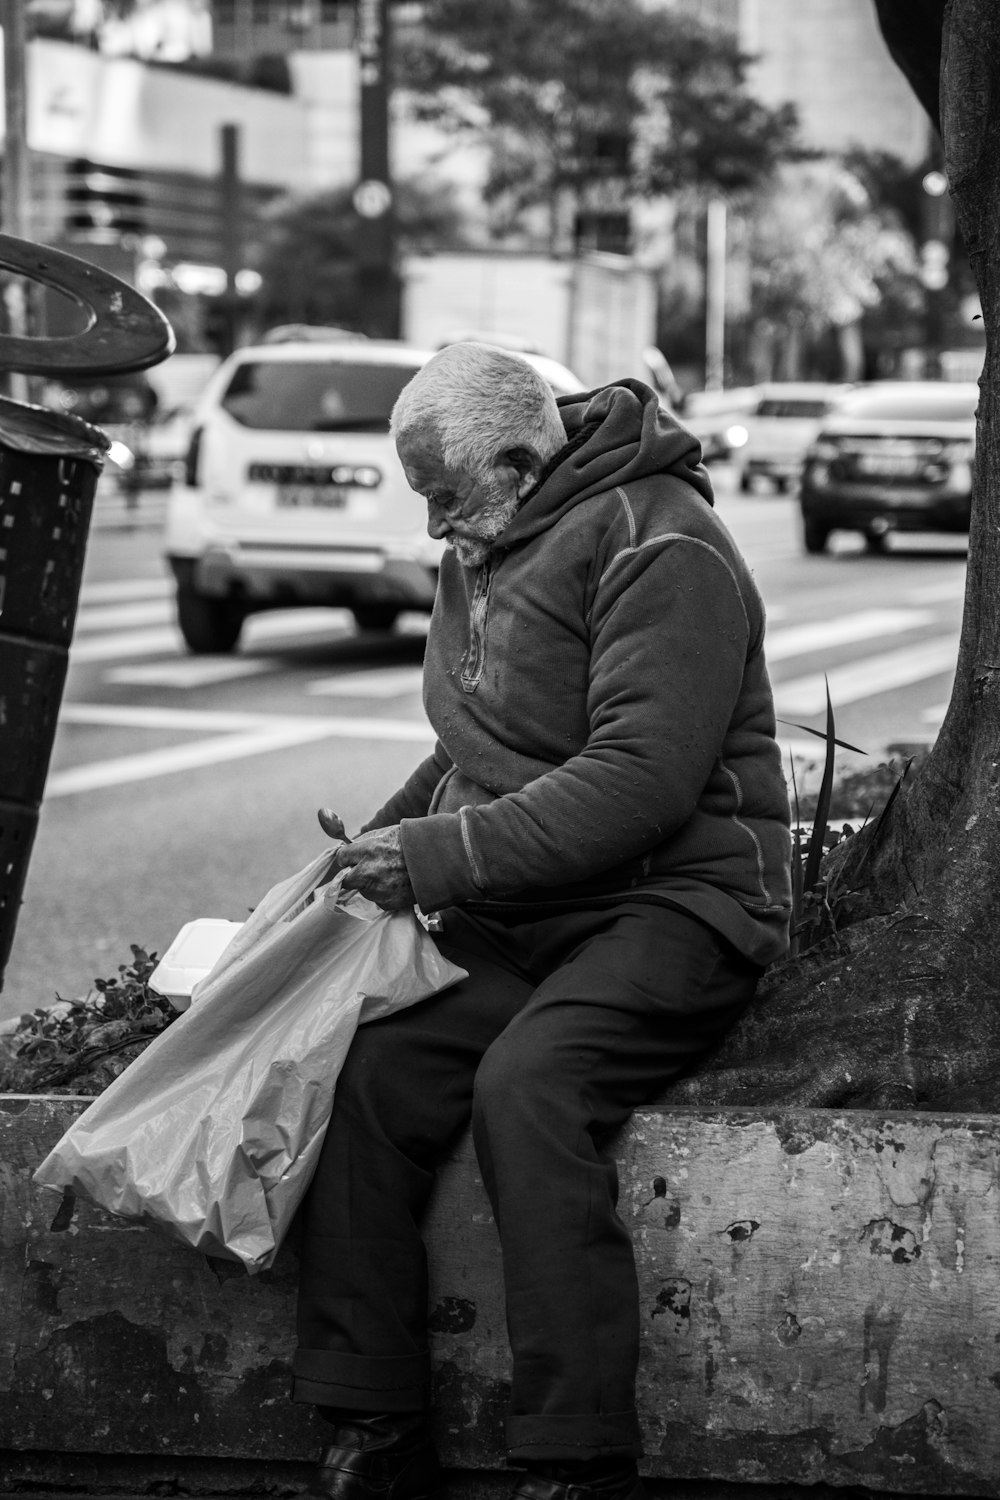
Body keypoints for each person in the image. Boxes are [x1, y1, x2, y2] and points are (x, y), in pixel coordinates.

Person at [292, 342, 791, 1500]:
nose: (434, 534)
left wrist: (435, 858)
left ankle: (575, 1456)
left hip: (677, 900)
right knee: (365, 1076)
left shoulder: (661, 543)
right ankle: (373, 1422)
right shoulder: (494, 534)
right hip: (528, 901)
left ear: (522, 460)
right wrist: (371, 852)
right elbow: (472, 744)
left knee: (532, 1087)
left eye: (446, 502)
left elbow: (637, 784)